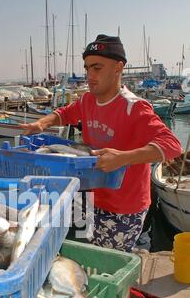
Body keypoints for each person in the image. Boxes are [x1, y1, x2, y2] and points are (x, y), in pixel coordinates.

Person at [19, 34, 182, 252]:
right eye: (87, 69)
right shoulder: (87, 100)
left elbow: (172, 144)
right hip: (87, 195)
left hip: (124, 207)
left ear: (118, 67)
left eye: (97, 68)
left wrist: (122, 158)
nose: (90, 75)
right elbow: (66, 113)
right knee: (79, 251)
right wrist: (41, 123)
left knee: (107, 263)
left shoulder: (135, 107)